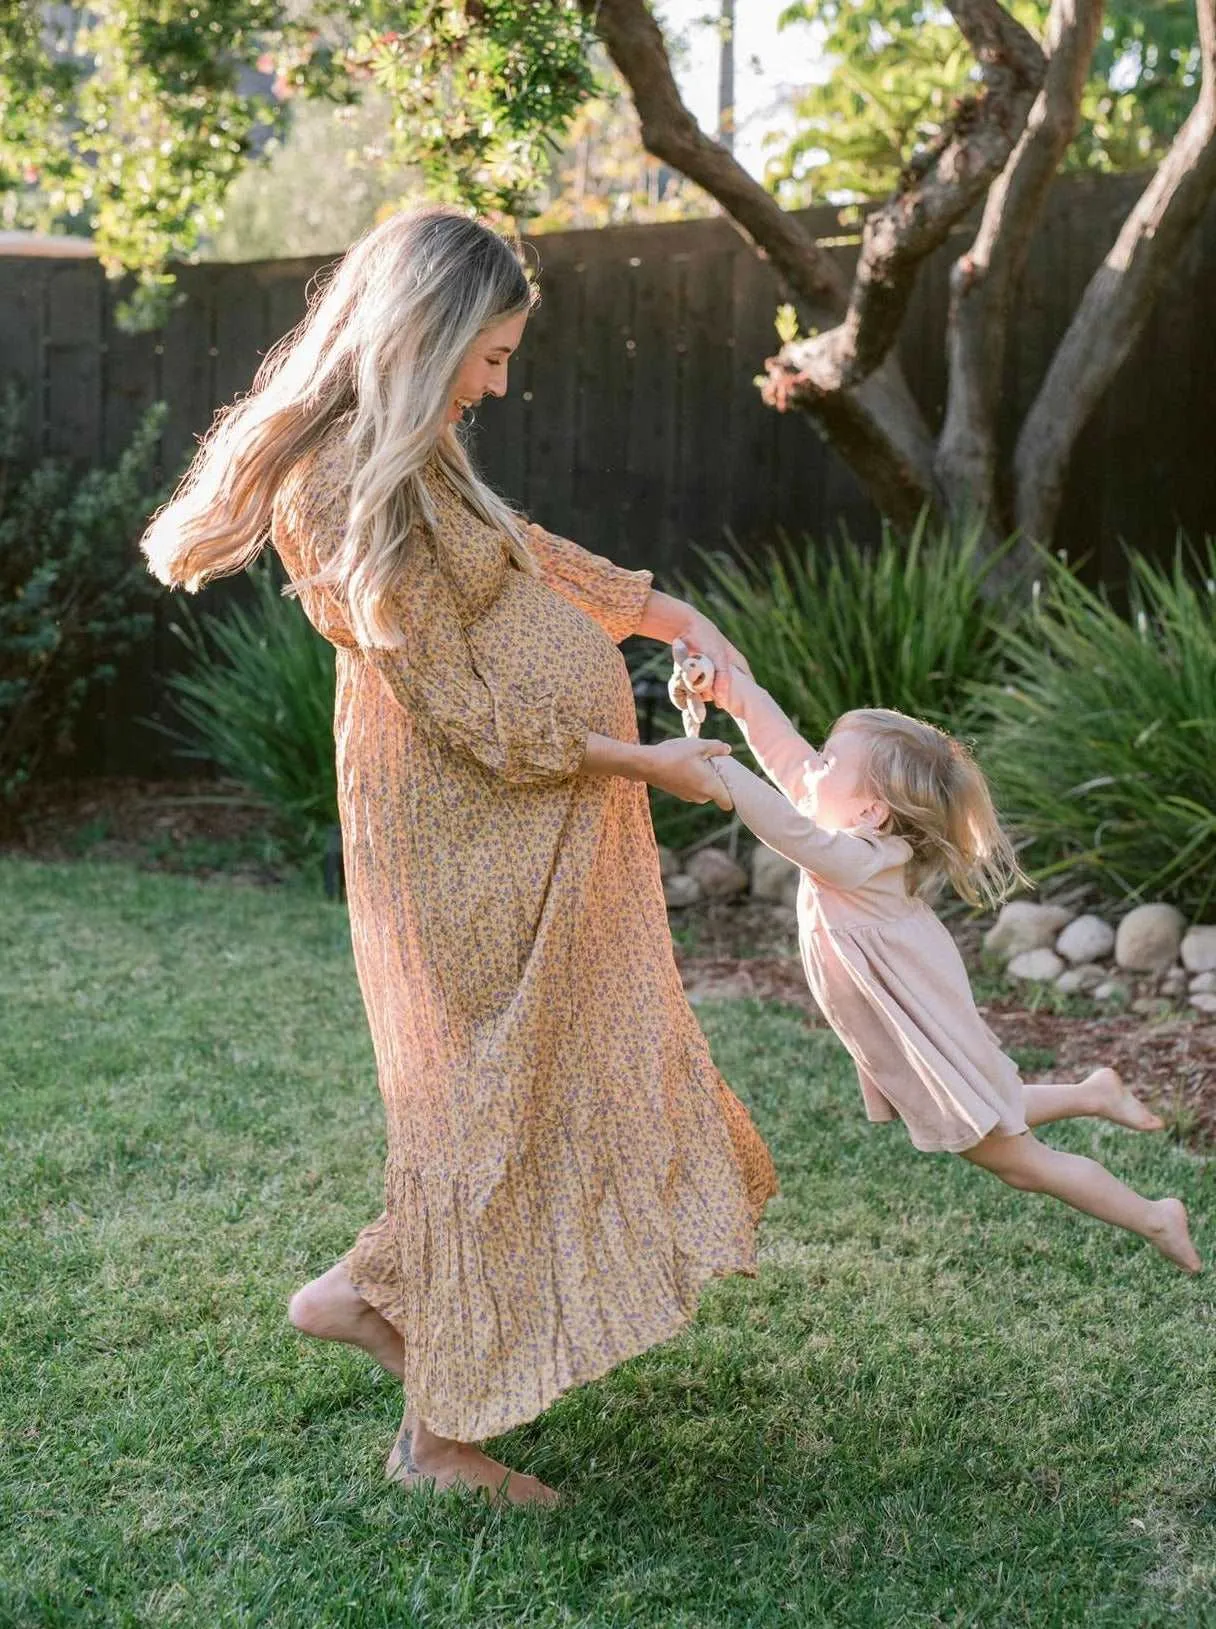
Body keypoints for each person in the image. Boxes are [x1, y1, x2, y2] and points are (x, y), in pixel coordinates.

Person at [140, 206, 777, 1507]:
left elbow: (528, 564)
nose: (500, 382)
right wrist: (641, 762)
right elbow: (459, 707)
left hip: (521, 807)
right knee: (491, 1099)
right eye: (487, 357)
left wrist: (665, 616)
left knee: (528, 1085)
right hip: (460, 823)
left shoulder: (419, 451)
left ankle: (368, 1293)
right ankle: (435, 1435)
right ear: (425, 341)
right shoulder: (336, 487)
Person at [669, 649, 1201, 1275]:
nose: (815, 766)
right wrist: (728, 691)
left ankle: (1155, 1215)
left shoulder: (858, 856)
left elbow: (788, 829)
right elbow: (787, 753)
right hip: (913, 1000)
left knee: (1013, 1161)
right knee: (975, 1100)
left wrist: (719, 772)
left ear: (871, 811)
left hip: (918, 1007)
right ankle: (1094, 1092)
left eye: (831, 761)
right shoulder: (840, 815)